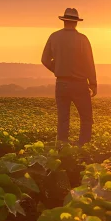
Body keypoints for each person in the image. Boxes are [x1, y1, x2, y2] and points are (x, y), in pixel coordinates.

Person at [41, 8, 97, 145]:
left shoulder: (54, 37)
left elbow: (44, 59)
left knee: (63, 119)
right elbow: (89, 63)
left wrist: (58, 68)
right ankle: (83, 147)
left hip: (61, 83)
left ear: (64, 21)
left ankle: (61, 149)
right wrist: (93, 83)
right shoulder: (82, 39)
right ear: (76, 23)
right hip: (80, 84)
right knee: (86, 118)